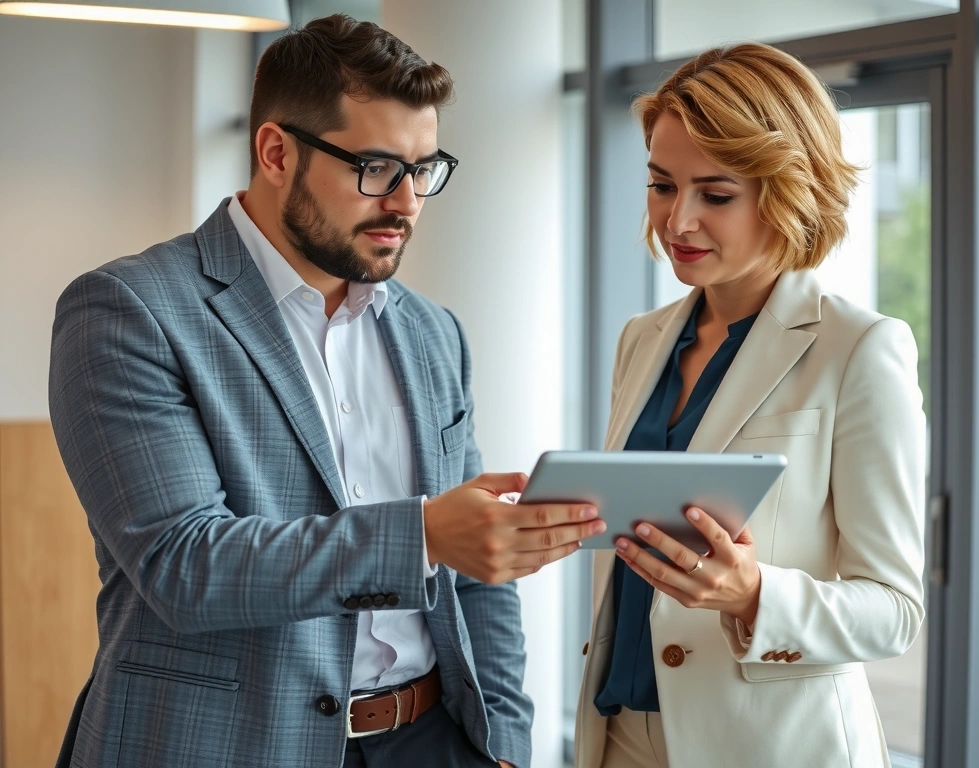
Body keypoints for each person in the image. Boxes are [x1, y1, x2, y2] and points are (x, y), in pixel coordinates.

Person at [49, 14, 606, 768]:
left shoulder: (432, 331)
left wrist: (503, 744)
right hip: (224, 745)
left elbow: (478, 579)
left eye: (423, 169)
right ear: (276, 152)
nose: (407, 202)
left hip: (432, 739)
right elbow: (184, 565)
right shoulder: (130, 310)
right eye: (376, 168)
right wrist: (423, 535)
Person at [574, 42, 926, 768]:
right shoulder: (643, 340)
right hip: (618, 736)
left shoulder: (861, 348)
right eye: (661, 185)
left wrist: (752, 594)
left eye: (716, 194)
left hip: (771, 746)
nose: (679, 221)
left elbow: (894, 612)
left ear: (789, 188)